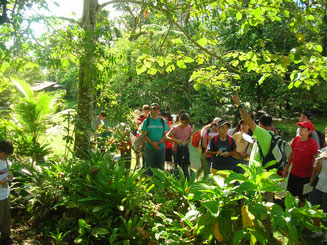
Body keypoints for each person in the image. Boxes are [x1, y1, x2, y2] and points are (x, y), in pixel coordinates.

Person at [284, 121, 318, 206]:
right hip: (293, 173)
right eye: (300, 127)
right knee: (289, 196)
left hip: (305, 176)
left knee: (303, 199)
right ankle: (290, 213)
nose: (300, 129)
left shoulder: (313, 144)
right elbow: (291, 154)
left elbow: (315, 162)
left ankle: (301, 216)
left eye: (303, 128)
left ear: (309, 131)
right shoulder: (296, 140)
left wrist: (312, 177)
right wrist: (287, 168)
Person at [141, 103, 169, 175]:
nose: (156, 110)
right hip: (149, 148)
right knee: (149, 168)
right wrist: (152, 144)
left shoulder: (163, 121)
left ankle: (159, 184)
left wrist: (158, 143)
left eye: (157, 108)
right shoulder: (146, 121)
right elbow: (144, 135)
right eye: (154, 108)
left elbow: (166, 135)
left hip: (161, 148)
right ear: (151, 110)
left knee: (160, 169)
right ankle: (149, 184)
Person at [309, 127, 327, 235]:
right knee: (314, 208)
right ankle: (317, 231)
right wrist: (319, 160)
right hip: (318, 185)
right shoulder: (323, 151)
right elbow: (316, 169)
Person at [165, 113, 193, 179]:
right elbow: (166, 137)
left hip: (185, 149)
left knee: (186, 166)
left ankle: (186, 181)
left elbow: (189, 137)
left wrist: (188, 141)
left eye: (187, 123)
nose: (185, 124)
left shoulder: (188, 127)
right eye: (184, 122)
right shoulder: (175, 128)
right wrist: (176, 140)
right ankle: (177, 180)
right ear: (180, 120)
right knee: (177, 167)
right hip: (176, 150)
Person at [0, 140, 14, 245]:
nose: (6, 156)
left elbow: (5, 172)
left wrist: (8, 176)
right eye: (5, 154)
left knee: (6, 217)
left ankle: (6, 237)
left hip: (5, 193)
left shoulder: (5, 161)